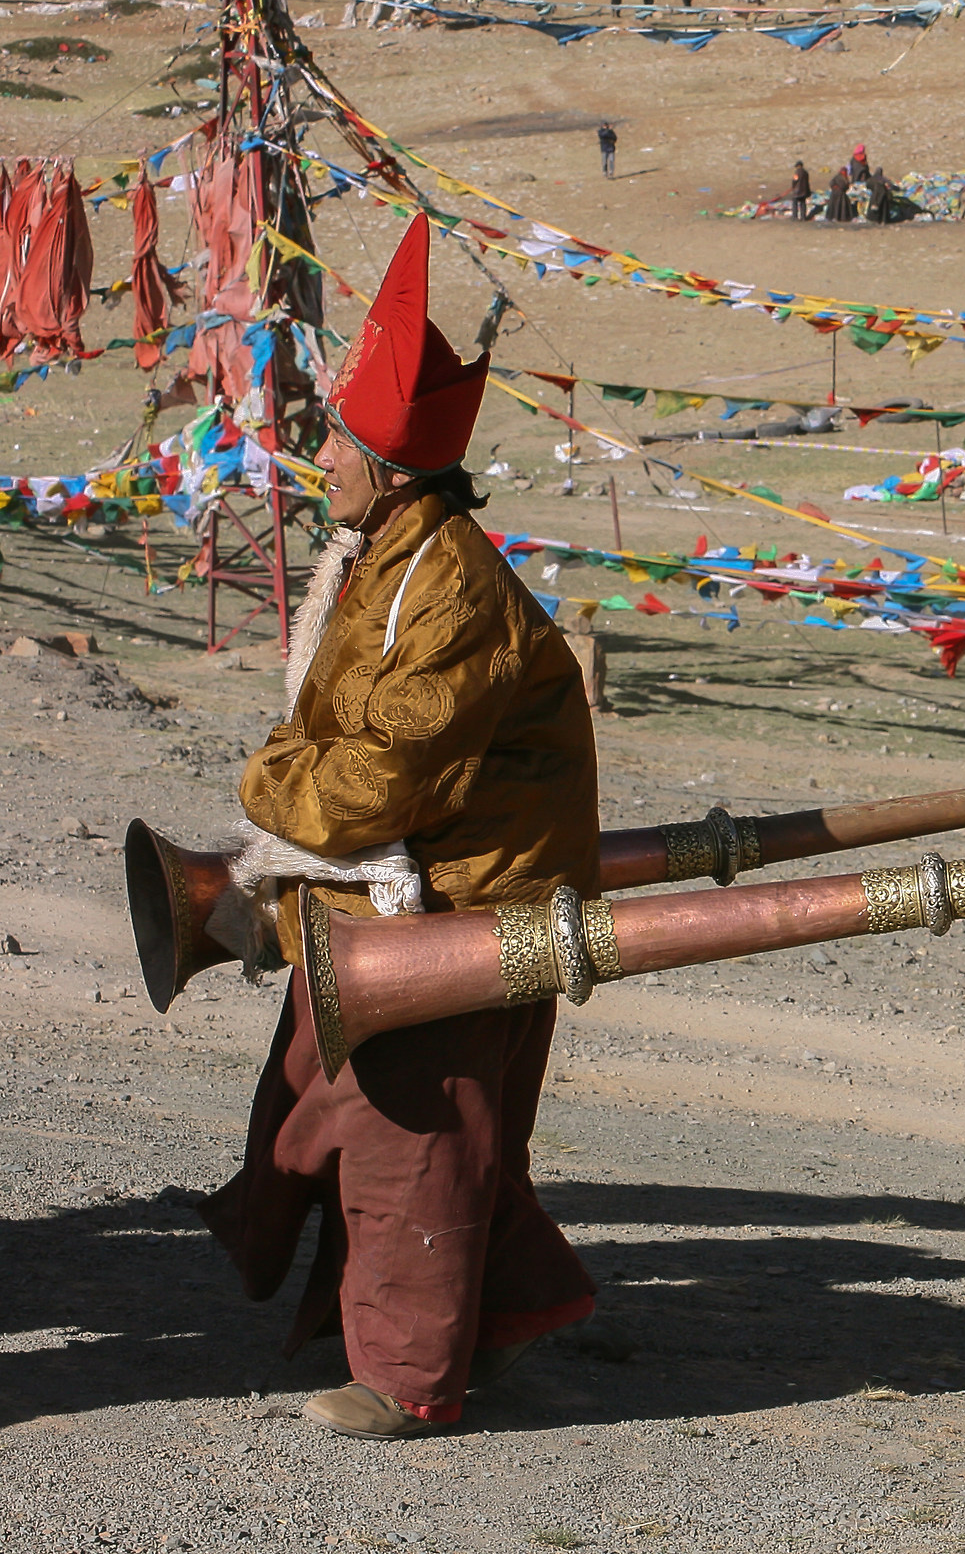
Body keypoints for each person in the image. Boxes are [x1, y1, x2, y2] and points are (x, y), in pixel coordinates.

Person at [196, 214, 602, 1440]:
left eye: (339, 445)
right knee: (353, 1098)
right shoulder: (385, 557)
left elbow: (381, 779)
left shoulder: (450, 587)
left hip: (466, 900)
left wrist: (270, 785)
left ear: (394, 467)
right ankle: (518, 1310)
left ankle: (411, 1379)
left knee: (410, 1137)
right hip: (406, 892)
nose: (322, 460)